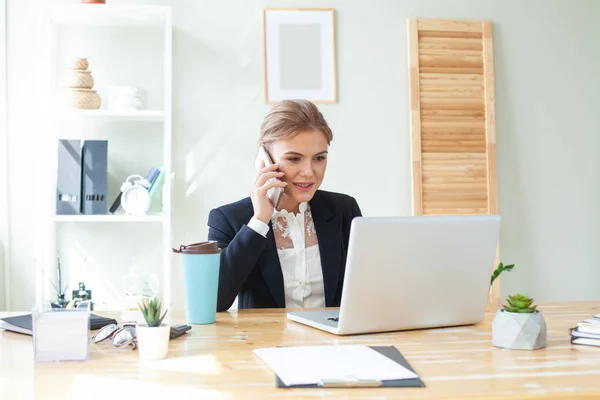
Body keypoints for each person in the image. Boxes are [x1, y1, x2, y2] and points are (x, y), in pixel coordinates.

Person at [208, 99, 362, 312]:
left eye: (319, 158)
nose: (309, 172)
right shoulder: (229, 218)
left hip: (332, 343)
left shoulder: (344, 210)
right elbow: (213, 302)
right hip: (266, 343)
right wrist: (259, 221)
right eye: (294, 159)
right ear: (265, 160)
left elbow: (365, 291)